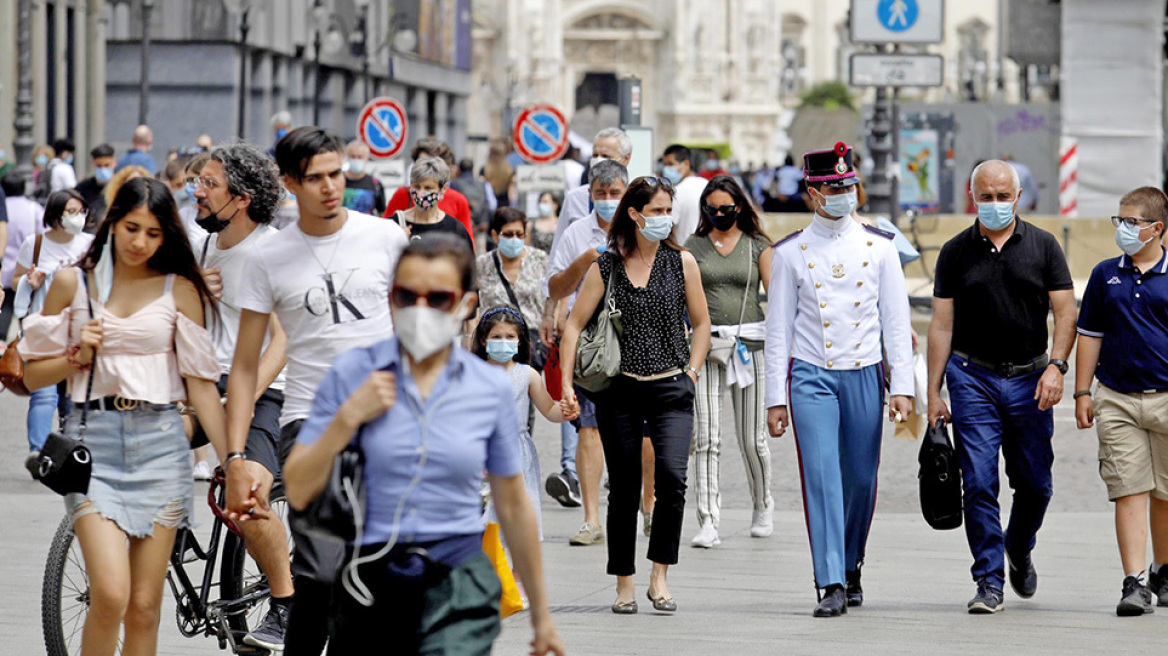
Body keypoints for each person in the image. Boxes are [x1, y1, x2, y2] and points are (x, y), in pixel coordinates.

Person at [283, 235, 565, 655]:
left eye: (437, 298)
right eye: (405, 295)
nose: (420, 310)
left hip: (453, 585)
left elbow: (513, 504)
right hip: (367, 580)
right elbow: (299, 487)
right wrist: (347, 419)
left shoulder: (486, 388)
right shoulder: (354, 373)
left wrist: (541, 615)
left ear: (465, 305)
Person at [21, 177, 229, 656]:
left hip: (160, 445)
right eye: (132, 228)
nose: (140, 242)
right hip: (94, 445)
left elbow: (200, 383)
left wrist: (231, 459)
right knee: (111, 594)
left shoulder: (180, 290)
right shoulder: (74, 282)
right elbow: (31, 378)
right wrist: (75, 357)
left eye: (154, 233)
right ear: (112, 222)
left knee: (143, 606)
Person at [225, 126, 408, 656]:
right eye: (315, 178)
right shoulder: (269, 259)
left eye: (337, 174)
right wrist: (237, 456)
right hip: (310, 423)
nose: (330, 187)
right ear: (288, 183)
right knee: (322, 572)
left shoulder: (385, 237)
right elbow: (243, 366)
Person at [765, 143, 914, 617]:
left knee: (861, 480)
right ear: (812, 193)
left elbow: (895, 320)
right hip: (811, 374)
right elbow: (777, 332)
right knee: (823, 477)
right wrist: (775, 398)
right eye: (832, 187)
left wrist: (904, 387)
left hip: (865, 371)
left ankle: (852, 564)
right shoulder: (789, 253)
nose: (842, 194)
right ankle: (828, 579)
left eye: (848, 185)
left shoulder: (881, 246)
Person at [927, 159, 1076, 614]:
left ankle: (1019, 545)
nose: (994, 204)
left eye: (1002, 196)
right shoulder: (955, 252)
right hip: (973, 376)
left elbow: (1066, 312)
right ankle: (988, 581)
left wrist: (1057, 367)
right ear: (973, 198)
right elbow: (940, 325)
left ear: (1018, 196)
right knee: (978, 481)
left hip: (1032, 379)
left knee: (1035, 485)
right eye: (985, 197)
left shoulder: (1045, 246)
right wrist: (933, 391)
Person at [560, 175, 711, 614]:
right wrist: (567, 384)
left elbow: (701, 323)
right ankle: (624, 582)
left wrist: (693, 371)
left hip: (672, 387)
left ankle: (659, 574)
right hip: (619, 389)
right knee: (623, 486)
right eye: (657, 211)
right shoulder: (604, 266)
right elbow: (573, 324)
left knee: (673, 479)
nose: (665, 219)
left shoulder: (682, 263)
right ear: (634, 214)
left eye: (669, 211)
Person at [189, 142, 296, 650]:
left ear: (243, 198)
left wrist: (245, 398)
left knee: (248, 498)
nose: (198, 191)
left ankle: (285, 603)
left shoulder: (273, 252)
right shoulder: (203, 244)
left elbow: (284, 340)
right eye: (198, 180)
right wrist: (192, 291)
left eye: (209, 184)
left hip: (256, 388)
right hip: (199, 383)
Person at [1074, 186, 1168, 616]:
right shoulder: (1104, 274)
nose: (1123, 229)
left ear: (1156, 228)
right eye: (1120, 221)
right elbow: (1089, 335)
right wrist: (1081, 392)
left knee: (1165, 494)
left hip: (1166, 399)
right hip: (1116, 399)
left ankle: (1163, 571)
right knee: (1128, 489)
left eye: (1132, 222)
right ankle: (1135, 583)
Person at [684, 175, 775, 548]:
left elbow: (779, 297)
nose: (720, 214)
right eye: (712, 209)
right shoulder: (692, 246)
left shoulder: (758, 246)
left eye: (727, 209)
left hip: (748, 346)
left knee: (752, 438)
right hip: (705, 348)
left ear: (740, 207)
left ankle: (763, 503)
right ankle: (708, 519)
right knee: (706, 436)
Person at [543, 159, 629, 541]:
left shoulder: (643, 228)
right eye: (601, 194)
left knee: (640, 434)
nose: (608, 201)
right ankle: (592, 519)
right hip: (590, 343)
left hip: (633, 341)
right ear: (590, 195)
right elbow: (555, 289)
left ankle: (645, 507)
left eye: (615, 193)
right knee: (589, 428)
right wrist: (582, 263)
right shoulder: (577, 232)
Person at [472, 306, 578, 539]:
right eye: (496, 337)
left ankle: (518, 572)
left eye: (510, 337)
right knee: (487, 520)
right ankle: (490, 569)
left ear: (520, 340)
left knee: (520, 520)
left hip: (518, 454)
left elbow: (549, 409)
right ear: (483, 340)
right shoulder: (474, 373)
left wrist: (566, 411)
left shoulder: (527, 375)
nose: (503, 342)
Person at [11, 190, 93, 475]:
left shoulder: (91, 244)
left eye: (82, 211)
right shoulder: (35, 244)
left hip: (77, 329)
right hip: (44, 328)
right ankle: (39, 452)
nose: (78, 217)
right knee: (43, 394)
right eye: (71, 211)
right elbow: (15, 279)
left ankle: (70, 451)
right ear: (55, 214)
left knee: (74, 395)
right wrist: (29, 281)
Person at [474, 207, 548, 357]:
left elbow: (554, 295)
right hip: (493, 345)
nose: (514, 239)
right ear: (495, 235)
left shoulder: (540, 259)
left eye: (519, 234)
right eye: (508, 234)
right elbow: (475, 305)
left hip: (530, 344)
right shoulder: (482, 264)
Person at [551, 128, 633, 253]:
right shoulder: (575, 198)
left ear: (626, 159)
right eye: (595, 155)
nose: (598, 160)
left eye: (605, 156)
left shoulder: (638, 197)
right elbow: (558, 253)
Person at [383, 136, 474, 246]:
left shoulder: (458, 202)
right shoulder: (403, 194)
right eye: (420, 162)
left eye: (428, 188)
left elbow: (467, 248)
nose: (421, 193)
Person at [1, 171, 45, 339]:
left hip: (3, 270)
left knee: (4, 308)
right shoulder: (34, 209)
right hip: (26, 271)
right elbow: (44, 235)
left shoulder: (2, 208)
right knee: (26, 312)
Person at [662, 144, 709, 242]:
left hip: (684, 251)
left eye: (670, 164)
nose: (666, 169)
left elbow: (670, 229)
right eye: (665, 165)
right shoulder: (707, 185)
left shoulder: (676, 192)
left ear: (686, 164)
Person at [74, 143, 117, 229]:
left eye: (107, 165)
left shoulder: (121, 187)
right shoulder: (83, 188)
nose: (103, 169)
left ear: (115, 162)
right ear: (93, 164)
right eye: (99, 166)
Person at [450, 156, 492, 242]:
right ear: (473, 169)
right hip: (481, 225)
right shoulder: (482, 184)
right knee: (479, 253)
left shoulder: (454, 184)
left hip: (461, 226)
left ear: (459, 169)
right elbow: (492, 204)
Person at [341, 140, 385, 216]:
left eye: (360, 157)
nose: (356, 160)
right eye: (353, 156)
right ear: (347, 157)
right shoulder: (338, 181)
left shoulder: (375, 184)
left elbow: (382, 212)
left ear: (366, 158)